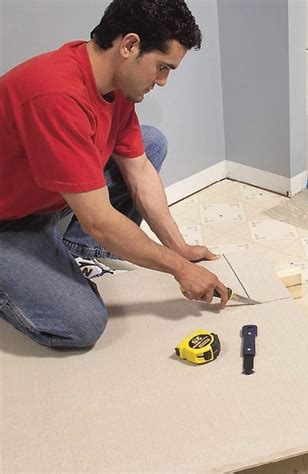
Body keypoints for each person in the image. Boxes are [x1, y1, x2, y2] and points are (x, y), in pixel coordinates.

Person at [0, 0, 229, 349]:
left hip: (35, 197)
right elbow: (100, 221)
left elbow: (138, 171)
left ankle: (76, 252)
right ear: (130, 45)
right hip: (7, 222)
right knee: (82, 324)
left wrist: (179, 249)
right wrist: (179, 270)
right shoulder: (55, 94)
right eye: (162, 67)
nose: (163, 81)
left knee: (150, 144)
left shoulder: (114, 87)